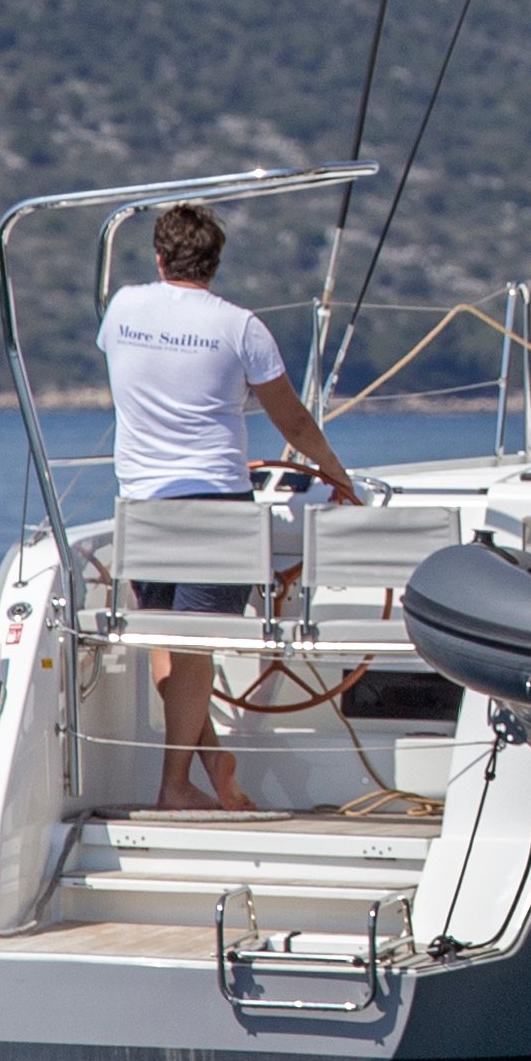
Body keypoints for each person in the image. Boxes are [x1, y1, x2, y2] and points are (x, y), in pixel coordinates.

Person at [103, 201, 361, 814]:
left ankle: (212, 766)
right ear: (215, 263)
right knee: (190, 649)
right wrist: (336, 474)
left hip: (141, 506)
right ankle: (176, 786)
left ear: (160, 258)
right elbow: (292, 420)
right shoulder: (240, 327)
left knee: (170, 647)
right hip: (216, 505)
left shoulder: (121, 310)